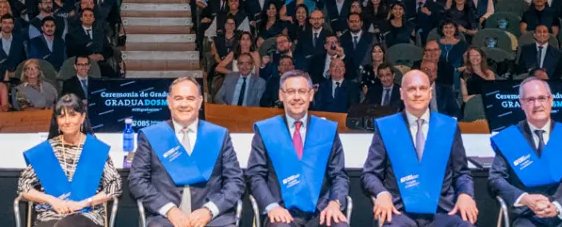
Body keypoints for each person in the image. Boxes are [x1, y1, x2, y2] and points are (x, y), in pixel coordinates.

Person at [362, 70, 481, 227]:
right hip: (399, 211)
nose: (417, 94)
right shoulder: (387, 127)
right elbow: (370, 174)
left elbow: (462, 173)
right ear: (401, 93)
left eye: (423, 88)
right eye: (411, 89)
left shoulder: (448, 127)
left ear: (430, 93)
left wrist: (465, 194)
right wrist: (382, 194)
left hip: (443, 210)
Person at [129, 77, 244, 227]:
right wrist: (169, 210)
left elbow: (236, 181)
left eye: (190, 98)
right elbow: (137, 181)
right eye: (178, 98)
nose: (184, 104)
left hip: (214, 219)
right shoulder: (151, 136)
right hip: (165, 219)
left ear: (200, 102)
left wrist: (209, 210)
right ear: (169, 102)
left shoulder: (219, 135)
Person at [487, 78, 562, 227]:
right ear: (521, 104)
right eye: (530, 99)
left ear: (551, 100)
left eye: (541, 98)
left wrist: (559, 206)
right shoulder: (509, 139)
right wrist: (524, 198)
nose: (537, 104)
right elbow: (496, 179)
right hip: (528, 215)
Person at [246, 70, 349, 227]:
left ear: (311, 95)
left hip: (322, 211)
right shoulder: (266, 131)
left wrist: (335, 203)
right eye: (290, 92)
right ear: (281, 95)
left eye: (302, 91)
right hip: (282, 212)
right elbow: (255, 175)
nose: (296, 97)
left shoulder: (327, 130)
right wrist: (272, 206)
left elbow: (339, 176)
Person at [18, 94, 122, 227]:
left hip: (87, 214)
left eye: (72, 115)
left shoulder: (95, 149)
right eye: (62, 116)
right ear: (57, 120)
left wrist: (85, 203)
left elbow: (115, 186)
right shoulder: (46, 151)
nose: (67, 121)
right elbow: (23, 186)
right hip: (51, 214)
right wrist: (51, 200)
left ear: (82, 117)